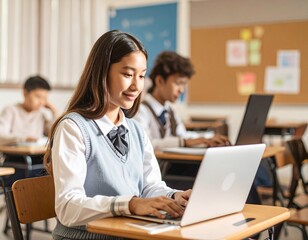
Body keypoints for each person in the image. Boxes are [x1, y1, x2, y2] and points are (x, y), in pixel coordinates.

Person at [43, 30, 191, 240]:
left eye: (141, 76)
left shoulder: (136, 130)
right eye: (128, 74)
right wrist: (129, 204)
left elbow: (150, 186)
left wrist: (174, 197)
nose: (136, 86)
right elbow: (67, 207)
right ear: (102, 72)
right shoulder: (73, 128)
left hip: (130, 232)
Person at [134, 51, 230, 189]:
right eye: (178, 83)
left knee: (219, 172)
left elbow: (183, 134)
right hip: (159, 176)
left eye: (184, 85)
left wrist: (207, 138)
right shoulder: (141, 110)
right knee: (210, 182)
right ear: (160, 81)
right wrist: (185, 141)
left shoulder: (169, 110)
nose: (181, 90)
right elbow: (147, 145)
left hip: (173, 167)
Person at [0, 75, 58, 185]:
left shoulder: (41, 114)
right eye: (38, 96)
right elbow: (1, 135)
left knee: (49, 172)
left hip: (39, 158)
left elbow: (55, 132)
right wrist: (24, 138)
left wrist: (54, 111)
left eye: (45, 98)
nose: (41, 102)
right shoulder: (11, 111)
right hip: (16, 160)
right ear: (25, 93)